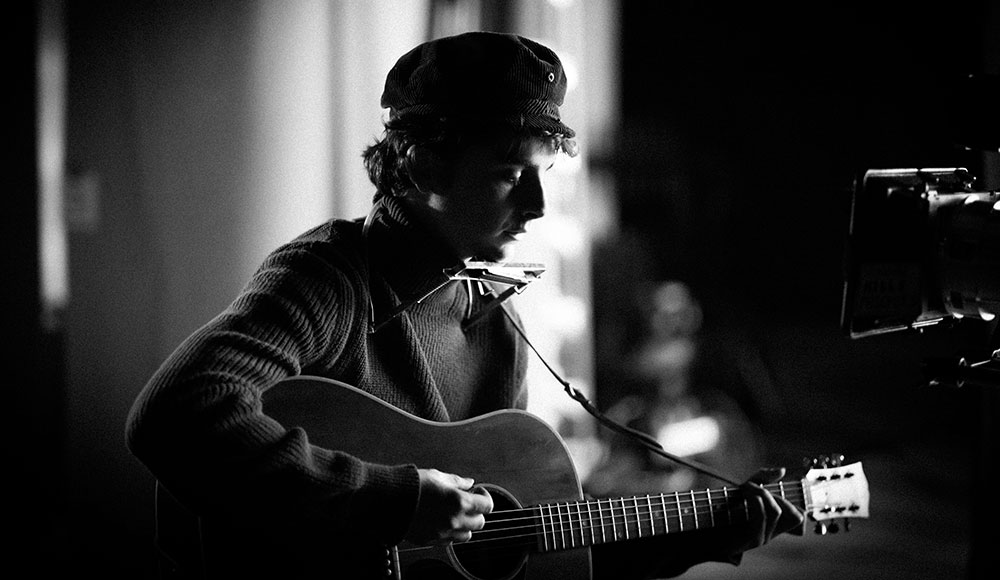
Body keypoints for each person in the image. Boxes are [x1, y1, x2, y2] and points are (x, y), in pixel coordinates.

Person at [126, 31, 803, 579]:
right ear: (424, 165)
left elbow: (530, 537)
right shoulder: (327, 278)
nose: (537, 206)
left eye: (545, 175)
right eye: (513, 173)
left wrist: (703, 532)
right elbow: (176, 413)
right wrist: (393, 504)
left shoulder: (491, 322)